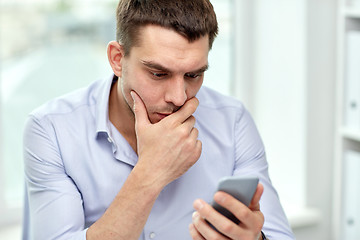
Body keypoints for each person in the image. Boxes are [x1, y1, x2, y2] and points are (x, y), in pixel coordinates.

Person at [22, 0, 295, 239]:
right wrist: (151, 171)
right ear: (118, 59)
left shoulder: (232, 120)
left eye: (193, 75)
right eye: (158, 74)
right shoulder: (51, 129)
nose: (178, 97)